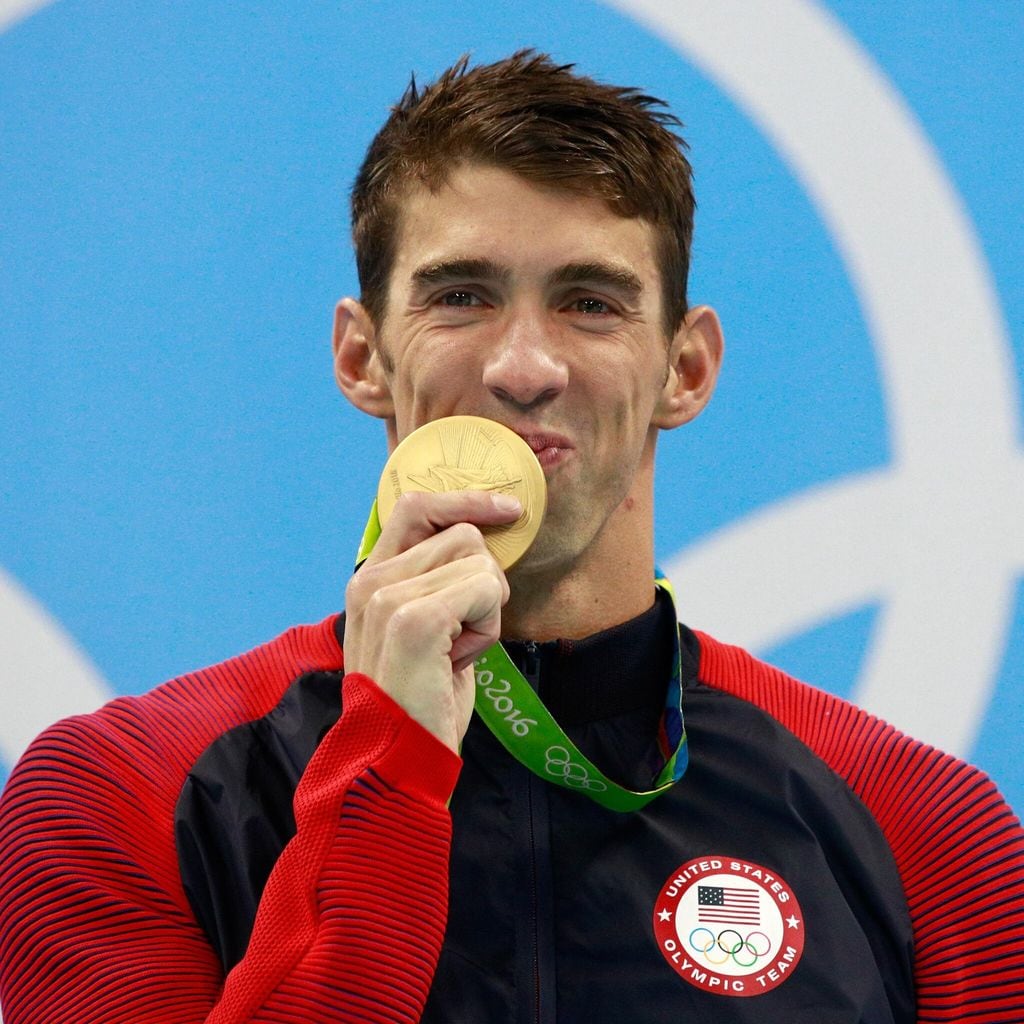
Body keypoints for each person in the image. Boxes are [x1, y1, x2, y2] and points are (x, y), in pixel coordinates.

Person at [1, 50, 1022, 1024]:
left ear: (687, 370)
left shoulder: (922, 826)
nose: (525, 366)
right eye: (461, 297)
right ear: (361, 357)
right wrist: (388, 765)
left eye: (590, 303)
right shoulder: (123, 793)